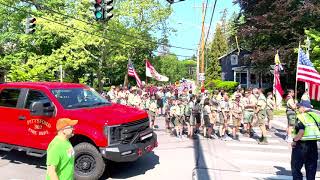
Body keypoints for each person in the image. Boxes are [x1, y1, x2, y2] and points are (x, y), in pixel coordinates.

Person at [291, 101, 320, 180]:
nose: (298, 108)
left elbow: (301, 132)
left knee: (296, 167)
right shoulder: (316, 116)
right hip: (313, 145)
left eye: (299, 107)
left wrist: (294, 140)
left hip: (301, 145)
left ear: (303, 108)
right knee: (311, 167)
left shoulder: (301, 117)